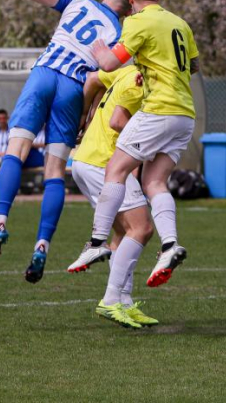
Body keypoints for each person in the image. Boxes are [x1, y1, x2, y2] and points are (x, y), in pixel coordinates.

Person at [0, 0, 131, 283]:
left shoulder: (77, 1)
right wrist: (86, 117)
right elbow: (103, 80)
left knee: (16, 150)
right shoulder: (119, 33)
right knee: (54, 171)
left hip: (44, 75)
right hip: (73, 88)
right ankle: (42, 246)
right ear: (127, 10)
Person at [88, 0, 200, 287]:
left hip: (158, 109)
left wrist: (100, 53)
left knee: (115, 170)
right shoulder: (180, 23)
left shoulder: (137, 21)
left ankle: (97, 242)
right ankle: (169, 244)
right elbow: (191, 66)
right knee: (154, 181)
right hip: (184, 114)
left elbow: (110, 63)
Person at [68, 65, 158, 328]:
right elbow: (118, 121)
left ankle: (124, 302)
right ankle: (110, 300)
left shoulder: (126, 70)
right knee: (142, 228)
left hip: (87, 159)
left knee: (123, 234)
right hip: (104, 163)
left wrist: (84, 114)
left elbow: (92, 78)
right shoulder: (137, 81)